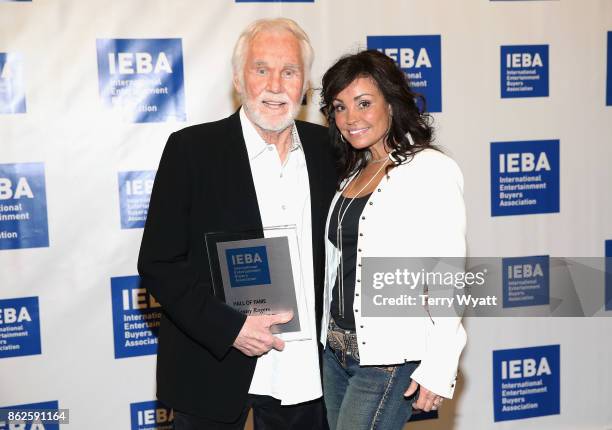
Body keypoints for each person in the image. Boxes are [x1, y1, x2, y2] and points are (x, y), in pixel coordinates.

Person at [138, 18, 336, 429]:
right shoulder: (191, 151)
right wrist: (230, 328)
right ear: (238, 79)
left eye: (290, 71)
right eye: (261, 69)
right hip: (213, 364)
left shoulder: (330, 151)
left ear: (305, 85)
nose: (276, 85)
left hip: (306, 374)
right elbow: (159, 263)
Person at [318, 49, 467, 429]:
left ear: (391, 102)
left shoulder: (429, 169)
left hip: (387, 360)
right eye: (339, 107)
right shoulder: (354, 172)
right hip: (336, 354)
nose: (351, 118)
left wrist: (440, 363)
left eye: (363, 103)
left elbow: (448, 272)